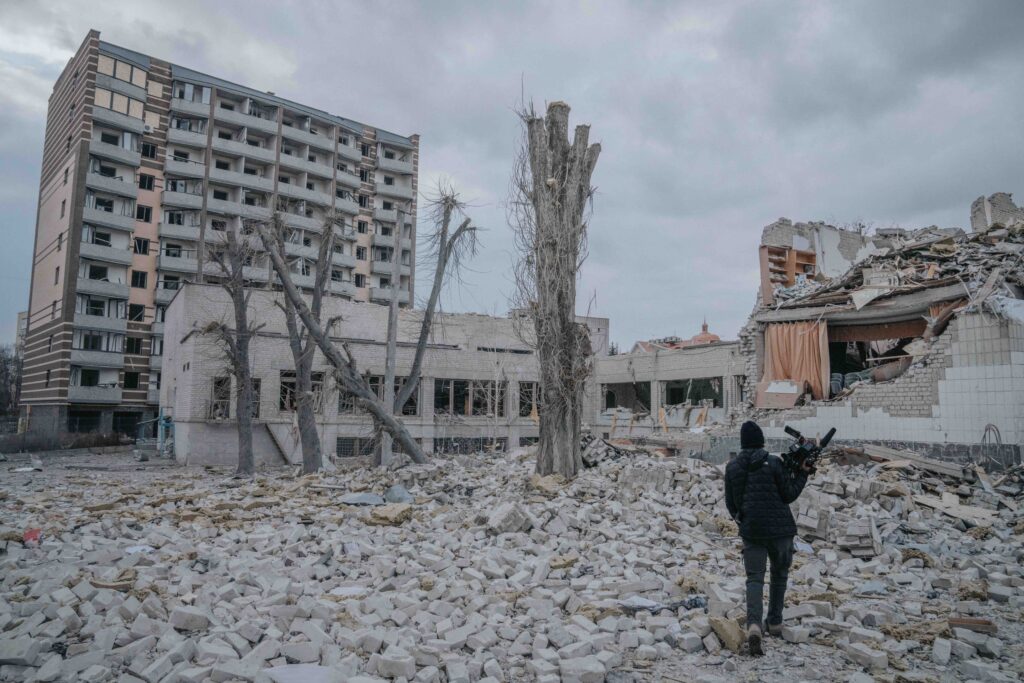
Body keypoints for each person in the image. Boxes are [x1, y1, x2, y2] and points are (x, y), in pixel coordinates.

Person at [724, 420, 810, 656]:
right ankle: (775, 622)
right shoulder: (774, 463)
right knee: (779, 575)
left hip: (752, 530)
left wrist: (741, 519)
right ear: (761, 441)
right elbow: (789, 494)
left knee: (754, 579)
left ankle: (754, 625)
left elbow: (730, 503)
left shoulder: (732, 467)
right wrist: (803, 474)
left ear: (742, 443)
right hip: (781, 531)